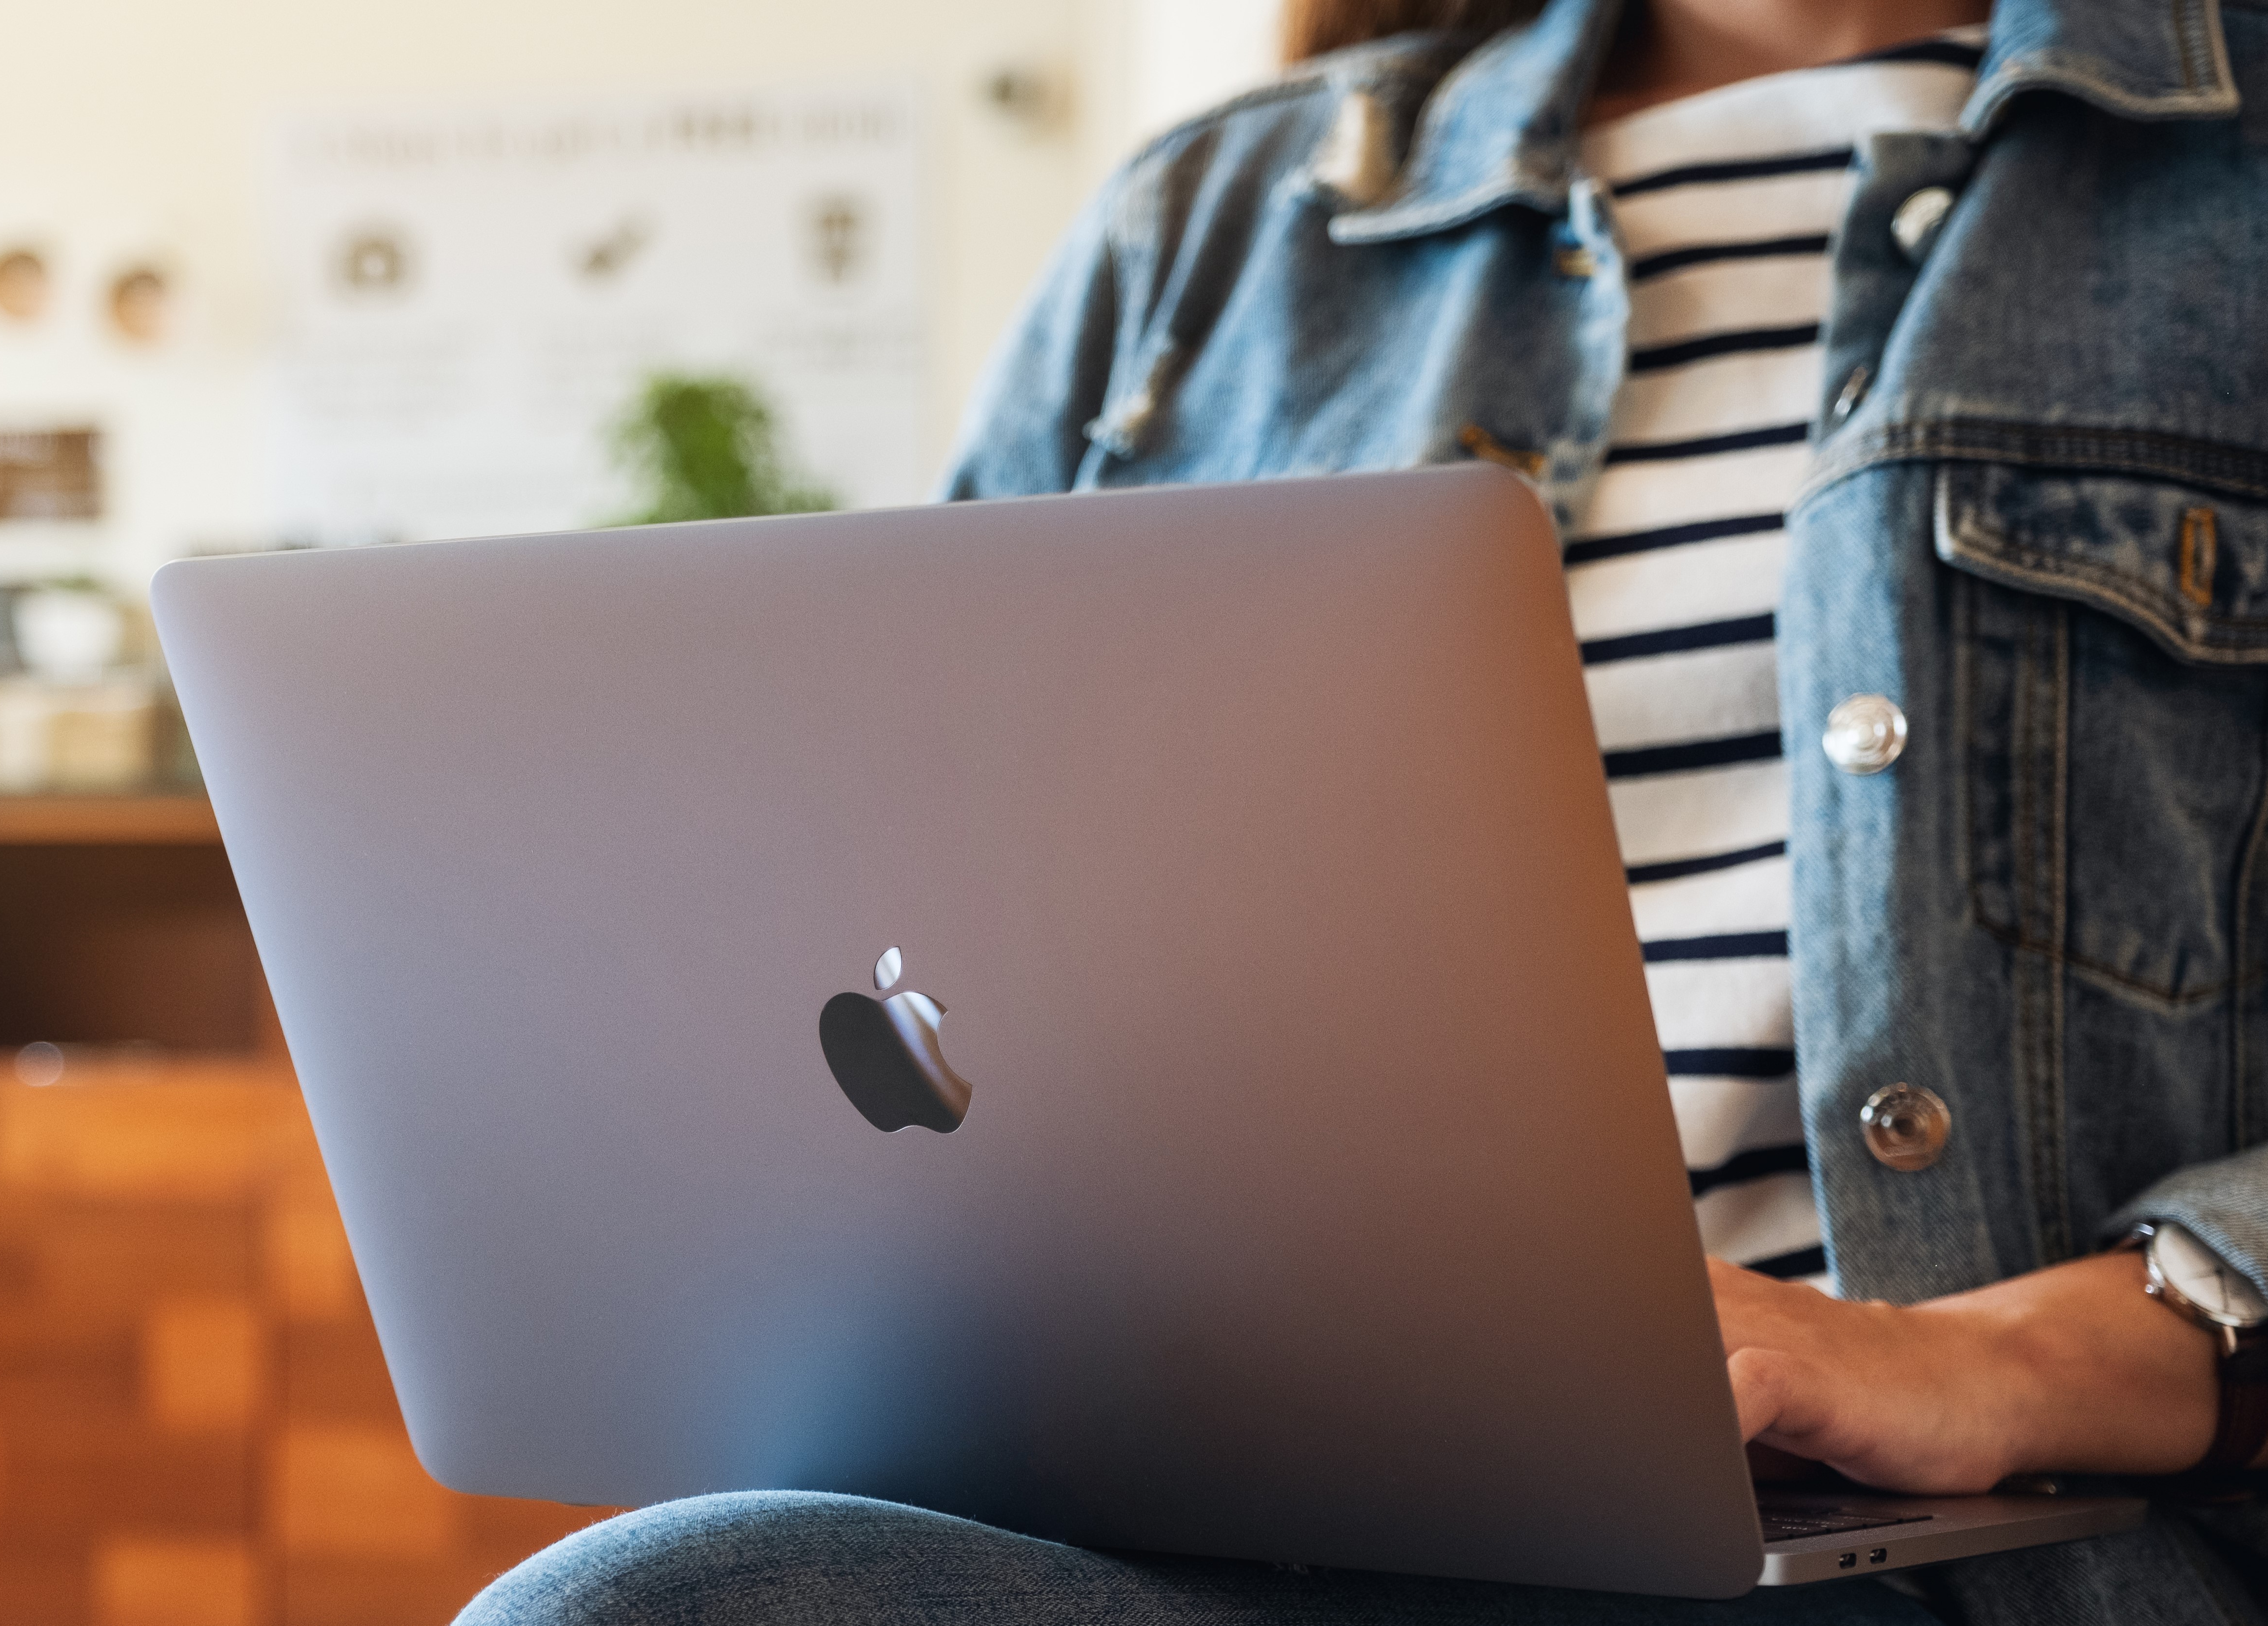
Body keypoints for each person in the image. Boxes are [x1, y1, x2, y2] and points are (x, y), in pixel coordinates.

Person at [461, 0, 2268, 1621]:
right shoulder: (1217, 230)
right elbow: (899, 889)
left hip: (1989, 1536)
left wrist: (1999, 1356)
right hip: (1272, 1503)